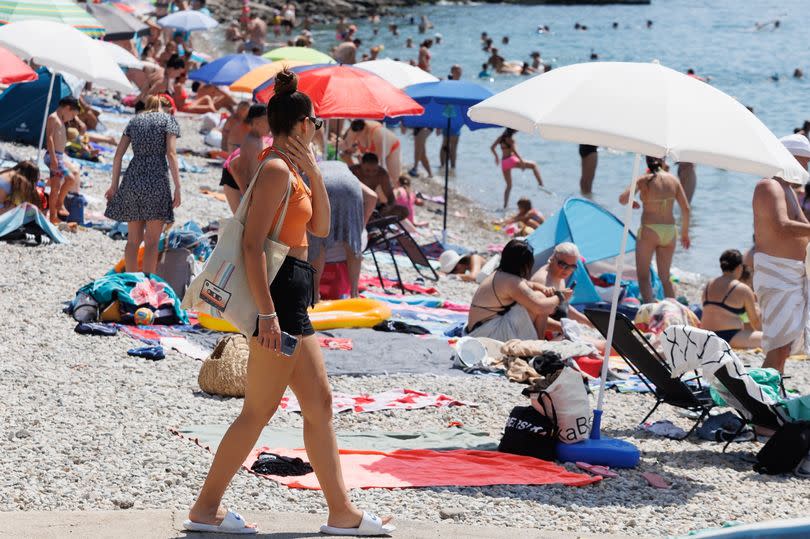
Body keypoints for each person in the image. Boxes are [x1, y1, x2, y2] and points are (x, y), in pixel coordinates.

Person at [185, 69, 394, 537]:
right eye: (316, 123)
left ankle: (342, 513)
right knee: (257, 412)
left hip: (293, 294)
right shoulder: (276, 169)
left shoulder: (294, 169)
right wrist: (266, 314)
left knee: (319, 404)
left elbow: (319, 227)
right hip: (277, 298)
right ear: (302, 125)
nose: (318, 130)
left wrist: (315, 169)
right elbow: (252, 246)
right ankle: (205, 509)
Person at [751, 134, 810, 372]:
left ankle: (771, 394)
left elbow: (804, 229)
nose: (805, 168)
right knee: (778, 345)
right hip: (777, 272)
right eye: (803, 161)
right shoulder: (769, 185)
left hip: (792, 274)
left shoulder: (789, 190)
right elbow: (781, 226)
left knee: (785, 346)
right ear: (787, 157)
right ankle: (760, 398)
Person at [104, 95, 181, 274]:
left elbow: (117, 156)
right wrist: (178, 186)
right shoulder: (169, 121)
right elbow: (171, 154)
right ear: (168, 107)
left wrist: (114, 186)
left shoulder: (135, 121)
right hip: (157, 181)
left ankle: (130, 281)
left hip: (133, 179)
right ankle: (146, 283)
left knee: (133, 240)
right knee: (152, 241)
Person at [465, 239, 572, 341]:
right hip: (484, 335)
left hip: (479, 329)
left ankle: (539, 341)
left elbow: (529, 284)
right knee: (539, 299)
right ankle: (538, 343)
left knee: (539, 298)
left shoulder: (501, 274)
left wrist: (543, 288)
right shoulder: (511, 282)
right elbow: (540, 307)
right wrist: (560, 297)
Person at [619, 156, 690, 303]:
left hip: (650, 230)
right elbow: (686, 209)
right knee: (665, 278)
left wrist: (632, 200)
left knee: (644, 276)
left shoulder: (644, 179)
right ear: (663, 161)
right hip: (670, 231)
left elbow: (622, 199)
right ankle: (673, 310)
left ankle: (649, 308)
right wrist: (684, 234)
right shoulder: (673, 179)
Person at [309, 160, 377, 299]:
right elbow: (372, 197)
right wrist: (360, 226)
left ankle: (315, 294)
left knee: (319, 241)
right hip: (350, 188)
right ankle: (354, 293)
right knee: (352, 243)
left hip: (323, 183)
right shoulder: (347, 173)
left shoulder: (309, 167)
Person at [701, 249, 762, 349]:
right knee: (771, 340)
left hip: (705, 337)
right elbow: (755, 321)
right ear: (739, 267)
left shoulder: (709, 284)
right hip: (728, 337)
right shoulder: (743, 289)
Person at [221, 104, 272, 213]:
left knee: (247, 217)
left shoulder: (259, 139)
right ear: (257, 122)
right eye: (268, 121)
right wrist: (246, 194)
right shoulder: (250, 141)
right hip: (231, 178)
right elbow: (235, 167)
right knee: (240, 219)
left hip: (243, 179)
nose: (271, 125)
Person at [530, 242, 592, 330]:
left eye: (572, 266)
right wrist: (565, 327)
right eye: (563, 264)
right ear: (552, 258)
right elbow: (537, 318)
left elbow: (563, 306)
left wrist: (589, 322)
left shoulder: (558, 275)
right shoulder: (542, 281)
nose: (567, 270)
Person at [45, 97, 81, 224]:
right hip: (53, 156)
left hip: (59, 156)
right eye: (72, 115)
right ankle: (56, 209)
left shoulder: (60, 120)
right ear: (67, 108)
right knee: (65, 182)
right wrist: (54, 158)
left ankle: (54, 213)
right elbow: (49, 138)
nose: (71, 118)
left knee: (58, 186)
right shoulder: (53, 118)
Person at [491, 128, 543, 208]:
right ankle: (540, 184)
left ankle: (505, 206)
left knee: (509, 185)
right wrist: (521, 161)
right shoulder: (511, 140)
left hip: (504, 162)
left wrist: (496, 157)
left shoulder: (500, 138)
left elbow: (492, 147)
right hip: (512, 160)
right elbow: (514, 151)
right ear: (513, 132)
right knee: (533, 165)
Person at [349, 153, 408, 221]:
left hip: (372, 207)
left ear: (378, 166)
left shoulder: (381, 174)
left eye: (374, 171)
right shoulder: (352, 171)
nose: (371, 174)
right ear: (361, 165)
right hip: (353, 206)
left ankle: (376, 221)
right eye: (367, 170)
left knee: (404, 211)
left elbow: (390, 196)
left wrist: (389, 207)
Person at [342, 120, 402, 185]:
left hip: (391, 147)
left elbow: (377, 161)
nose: (358, 135)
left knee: (394, 178)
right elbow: (345, 146)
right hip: (371, 152)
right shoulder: (354, 130)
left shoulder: (377, 132)